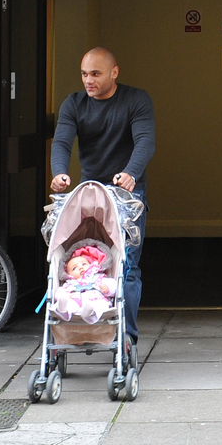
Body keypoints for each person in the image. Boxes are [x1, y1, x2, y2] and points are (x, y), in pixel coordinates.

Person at [49, 47, 155, 348]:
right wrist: (59, 173)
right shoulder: (74, 103)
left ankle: (127, 338)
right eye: (84, 74)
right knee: (83, 259)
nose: (88, 80)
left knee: (127, 265)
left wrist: (131, 173)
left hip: (127, 193)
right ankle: (86, 327)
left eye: (95, 74)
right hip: (90, 191)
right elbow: (62, 141)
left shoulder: (136, 100)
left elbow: (145, 141)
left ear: (114, 73)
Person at [53, 244, 116, 323]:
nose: (80, 267)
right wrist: (65, 296)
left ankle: (88, 313)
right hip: (76, 300)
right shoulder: (71, 283)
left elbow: (113, 285)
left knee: (100, 305)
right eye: (74, 268)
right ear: (69, 274)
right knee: (69, 302)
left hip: (94, 299)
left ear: (90, 265)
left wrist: (107, 289)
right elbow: (60, 291)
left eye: (84, 264)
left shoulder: (97, 277)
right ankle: (62, 309)